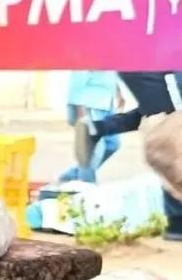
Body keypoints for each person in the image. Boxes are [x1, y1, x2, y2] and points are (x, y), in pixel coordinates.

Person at [76, 71, 182, 239]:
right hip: (155, 60)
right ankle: (177, 224)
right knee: (172, 126)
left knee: (166, 114)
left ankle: (96, 129)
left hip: (153, 62)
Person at [58, 71, 120, 183]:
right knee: (92, 151)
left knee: (112, 144)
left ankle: (72, 175)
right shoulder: (89, 54)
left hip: (106, 104)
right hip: (90, 105)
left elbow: (111, 73)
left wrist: (118, 93)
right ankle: (87, 185)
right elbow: (77, 80)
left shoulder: (111, 54)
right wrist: (81, 112)